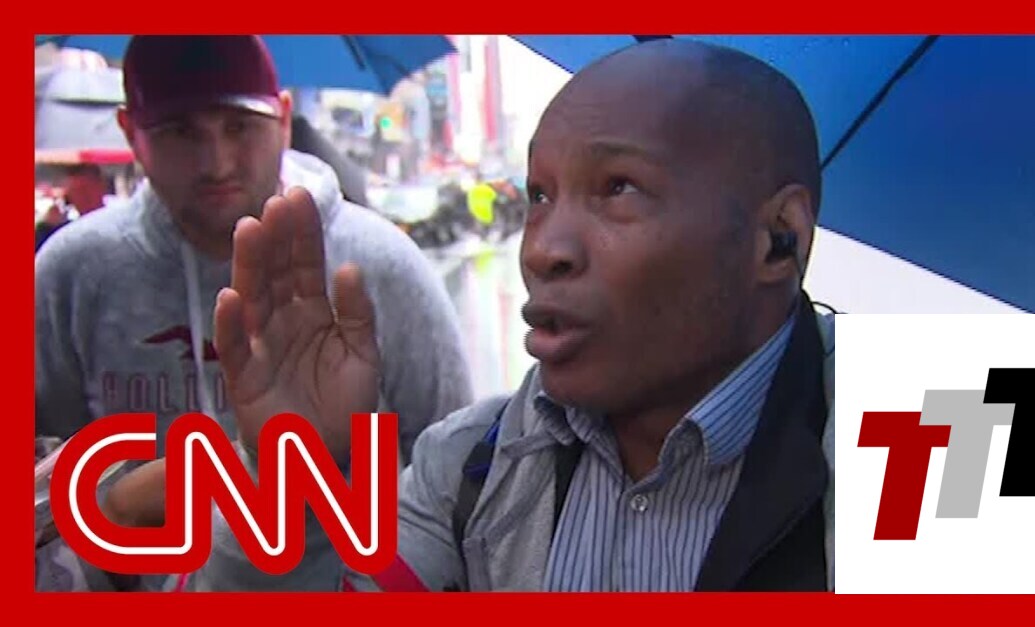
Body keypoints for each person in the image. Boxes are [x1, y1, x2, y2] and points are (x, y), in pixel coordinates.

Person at [113, 38, 836, 592]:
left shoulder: (897, 445)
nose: (542, 249)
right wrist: (294, 479)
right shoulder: (466, 467)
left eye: (618, 187)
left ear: (778, 239)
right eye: (540, 196)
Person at [34, 35, 473, 590]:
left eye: (240, 126)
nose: (216, 163)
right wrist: (120, 506)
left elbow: (458, 478)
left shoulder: (378, 265)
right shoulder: (72, 274)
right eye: (180, 131)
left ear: (284, 120)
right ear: (130, 133)